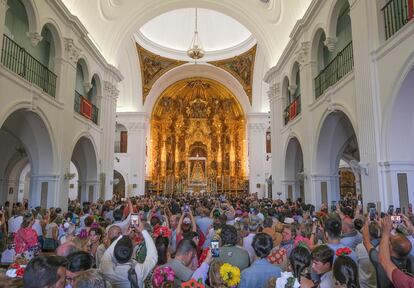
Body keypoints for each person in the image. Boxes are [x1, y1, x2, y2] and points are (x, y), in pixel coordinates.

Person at [100, 219, 157, 288]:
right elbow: (153, 256)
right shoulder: (139, 271)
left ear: (114, 253)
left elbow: (107, 254)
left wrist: (122, 236)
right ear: (132, 253)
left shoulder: (108, 271)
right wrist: (143, 231)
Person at [377, 216, 414, 288]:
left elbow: (384, 260)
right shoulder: (410, 258)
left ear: (390, 246)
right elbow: (397, 243)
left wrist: (385, 232)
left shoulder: (407, 283)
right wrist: (411, 229)